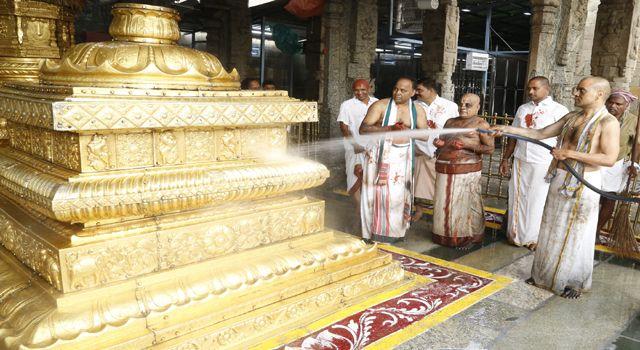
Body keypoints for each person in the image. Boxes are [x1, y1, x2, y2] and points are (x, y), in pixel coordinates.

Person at [491, 76, 620, 299]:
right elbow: (540, 134)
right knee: (551, 227)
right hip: (560, 178)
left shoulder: (608, 123)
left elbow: (609, 158)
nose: (576, 94)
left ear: (599, 94)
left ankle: (573, 282)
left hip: (583, 184)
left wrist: (569, 154)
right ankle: (544, 275)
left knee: (577, 232)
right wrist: (507, 129)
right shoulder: (572, 117)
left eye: (581, 90)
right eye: (576, 89)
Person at [499, 77, 569, 250]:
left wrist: (558, 162)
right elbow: (513, 137)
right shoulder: (523, 109)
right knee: (518, 196)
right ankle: (515, 235)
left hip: (543, 161)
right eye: (529, 88)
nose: (530, 92)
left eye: (535, 88)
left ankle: (534, 238)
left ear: (547, 89)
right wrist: (506, 158)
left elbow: (564, 140)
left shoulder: (559, 110)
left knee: (537, 199)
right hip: (521, 159)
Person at [359, 77, 428, 243]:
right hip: (379, 159)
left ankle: (396, 233)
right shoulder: (380, 105)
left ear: (413, 93)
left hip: (403, 160)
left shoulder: (417, 110)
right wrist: (389, 128)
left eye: (403, 90)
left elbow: (425, 135)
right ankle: (371, 233)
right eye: (396, 89)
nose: (398, 93)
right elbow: (363, 129)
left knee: (398, 197)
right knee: (375, 196)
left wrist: (405, 131)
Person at [431, 93, 495, 248]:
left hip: (467, 172)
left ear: (478, 107)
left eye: (468, 105)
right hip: (445, 168)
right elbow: (444, 142)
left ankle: (466, 237)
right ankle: (444, 235)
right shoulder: (450, 122)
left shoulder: (481, 124)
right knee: (443, 203)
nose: (463, 107)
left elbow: (490, 149)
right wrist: (439, 144)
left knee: (465, 203)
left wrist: (467, 145)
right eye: (461, 103)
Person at [412, 77, 459, 220]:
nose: (416, 93)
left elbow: (454, 128)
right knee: (418, 184)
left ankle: (441, 215)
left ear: (431, 90)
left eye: (420, 90)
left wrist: (447, 146)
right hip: (419, 150)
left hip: (441, 151)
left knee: (442, 185)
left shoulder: (450, 106)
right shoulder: (414, 105)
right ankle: (419, 211)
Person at [597, 89, 640, 237]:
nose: (613, 106)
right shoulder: (599, 116)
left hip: (614, 164)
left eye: (618, 104)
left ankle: (596, 231)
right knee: (591, 197)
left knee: (609, 199)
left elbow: (636, 144)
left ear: (626, 105)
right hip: (594, 161)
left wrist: (634, 165)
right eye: (611, 102)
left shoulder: (633, 121)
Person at [337, 79, 378, 232]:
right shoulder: (347, 105)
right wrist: (355, 144)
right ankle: (359, 214)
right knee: (353, 181)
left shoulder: (377, 103)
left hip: (373, 149)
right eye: (356, 90)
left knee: (371, 180)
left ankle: (367, 216)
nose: (360, 93)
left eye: (363, 90)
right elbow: (344, 127)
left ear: (370, 88)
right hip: (354, 150)